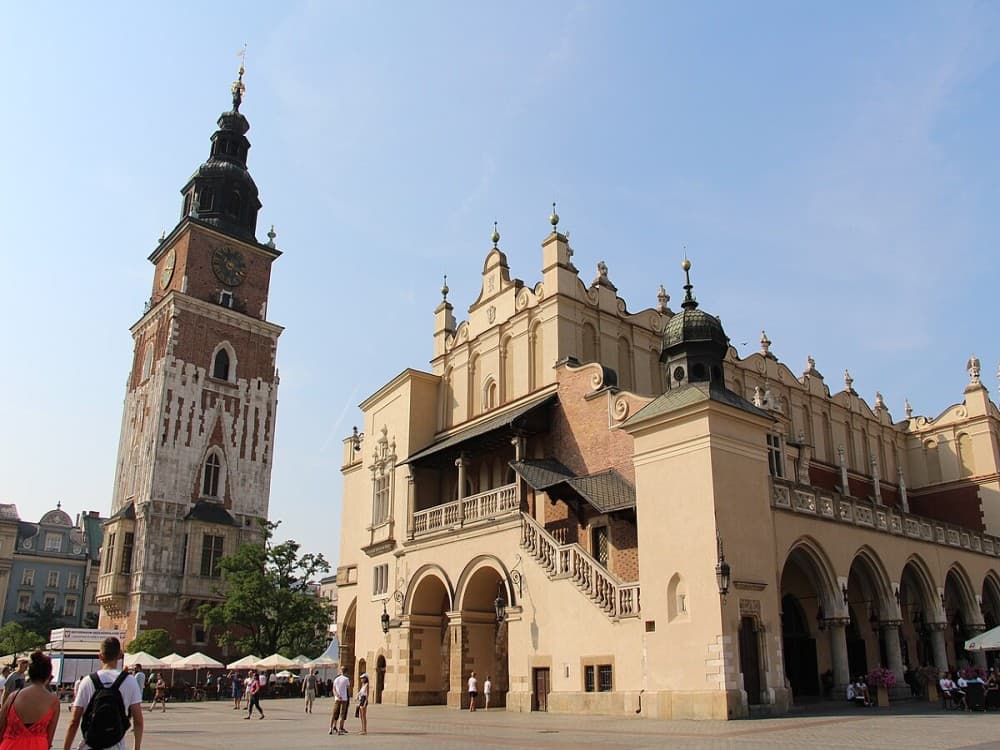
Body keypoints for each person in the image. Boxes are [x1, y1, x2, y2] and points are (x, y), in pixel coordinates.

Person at [62, 636, 143, 750]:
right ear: (120, 655)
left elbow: (74, 721)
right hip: (116, 744)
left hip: (90, 744)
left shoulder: (87, 681)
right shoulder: (130, 681)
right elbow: (138, 721)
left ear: (100, 656)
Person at [0, 650, 60, 750]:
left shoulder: (13, 696)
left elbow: (1, 727)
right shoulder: (53, 701)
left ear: (30, 674)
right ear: (48, 676)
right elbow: (50, 737)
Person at [329, 666, 350, 735]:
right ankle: (340, 729)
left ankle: (330, 728)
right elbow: (348, 688)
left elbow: (333, 689)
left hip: (337, 699)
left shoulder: (336, 679)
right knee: (342, 714)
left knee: (334, 714)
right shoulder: (346, 679)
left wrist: (337, 695)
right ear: (346, 672)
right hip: (344, 698)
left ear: (341, 671)